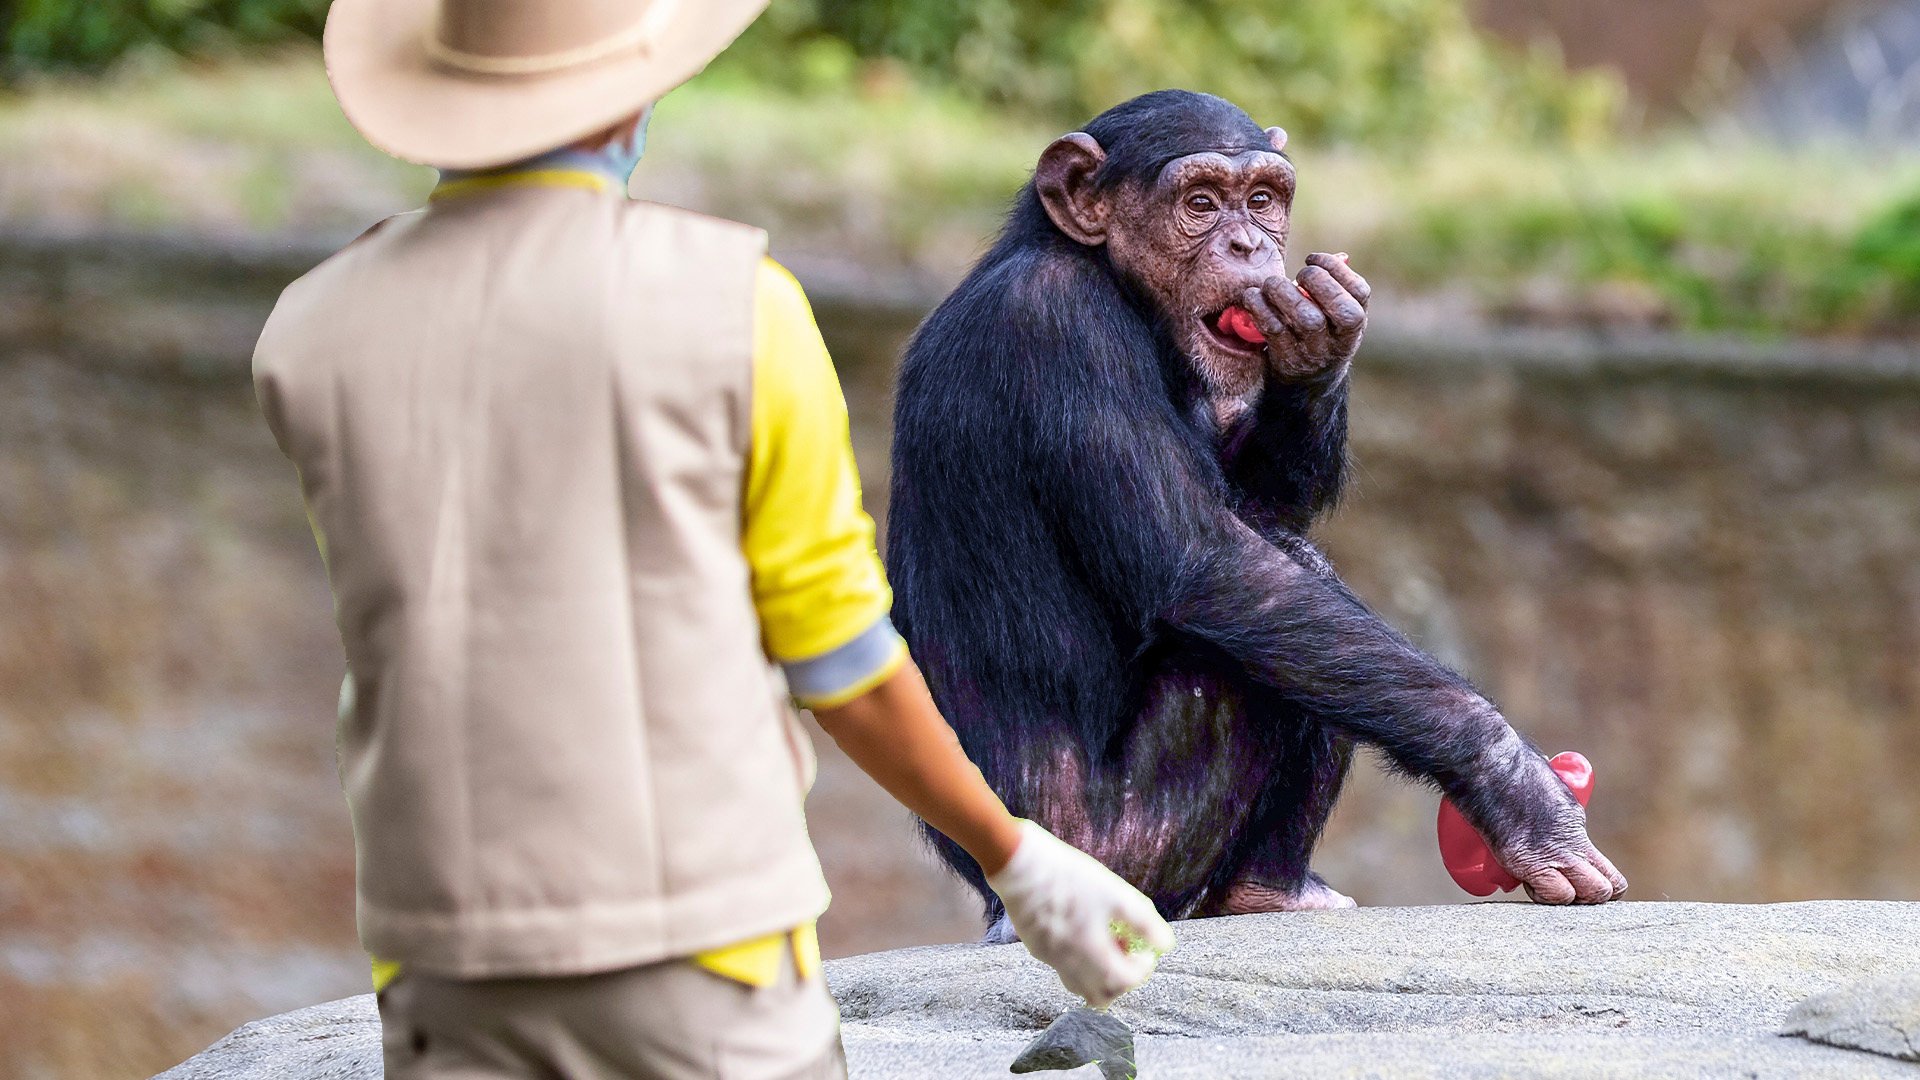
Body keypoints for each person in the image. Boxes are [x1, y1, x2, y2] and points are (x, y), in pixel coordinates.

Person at [251, 1, 1175, 1077]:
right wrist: (1016, 858)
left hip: (437, 951)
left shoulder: (308, 331)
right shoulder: (738, 305)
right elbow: (843, 662)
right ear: (632, 93)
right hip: (700, 952)